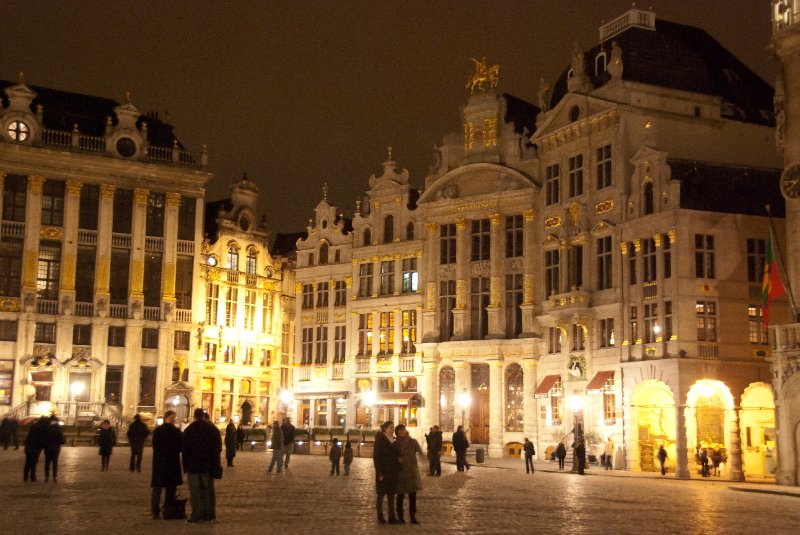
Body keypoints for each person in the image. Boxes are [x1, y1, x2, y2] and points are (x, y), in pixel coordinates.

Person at [183, 408, 222, 523]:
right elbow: (217, 449)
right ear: (204, 416)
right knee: (208, 490)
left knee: (195, 492)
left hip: (194, 466)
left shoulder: (190, 429)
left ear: (194, 416)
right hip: (208, 466)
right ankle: (209, 514)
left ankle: (197, 515)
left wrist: (185, 466)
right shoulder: (213, 429)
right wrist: (215, 465)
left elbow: (185, 449)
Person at [151, 410, 183, 519]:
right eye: (174, 418)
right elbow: (180, 447)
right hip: (172, 464)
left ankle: (155, 512)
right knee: (170, 490)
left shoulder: (158, 431)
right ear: (170, 418)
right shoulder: (176, 431)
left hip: (159, 463)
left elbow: (154, 446)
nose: (175, 420)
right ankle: (168, 511)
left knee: (157, 489)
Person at [394, 424, 423, 524]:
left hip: (411, 472)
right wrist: (396, 459)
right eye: (400, 430)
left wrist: (426, 459)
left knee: (412, 495)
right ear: (397, 432)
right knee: (400, 495)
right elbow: (392, 456)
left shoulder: (412, 442)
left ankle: (412, 516)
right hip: (400, 472)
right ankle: (400, 516)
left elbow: (420, 452)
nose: (402, 432)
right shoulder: (395, 444)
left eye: (403, 430)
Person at [374, 420, 400, 525]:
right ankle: (380, 517)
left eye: (393, 427)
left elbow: (394, 454)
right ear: (385, 429)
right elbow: (377, 457)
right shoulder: (380, 440)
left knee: (391, 495)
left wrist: (398, 460)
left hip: (392, 472)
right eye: (391, 427)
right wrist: (379, 473)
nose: (393, 429)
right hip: (384, 472)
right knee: (381, 495)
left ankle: (391, 516)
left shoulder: (392, 440)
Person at [23, 416, 47, 482]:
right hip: (36, 447)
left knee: (28, 461)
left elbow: (29, 436)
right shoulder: (42, 428)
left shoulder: (33, 426)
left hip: (29, 445)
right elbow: (42, 439)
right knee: (34, 462)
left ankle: (25, 477)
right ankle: (32, 476)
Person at [44, 414, 65, 483]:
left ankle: (46, 476)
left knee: (47, 461)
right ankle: (54, 476)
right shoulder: (58, 428)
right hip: (56, 447)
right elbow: (62, 439)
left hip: (47, 447)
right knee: (55, 462)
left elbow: (43, 437)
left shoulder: (47, 427)